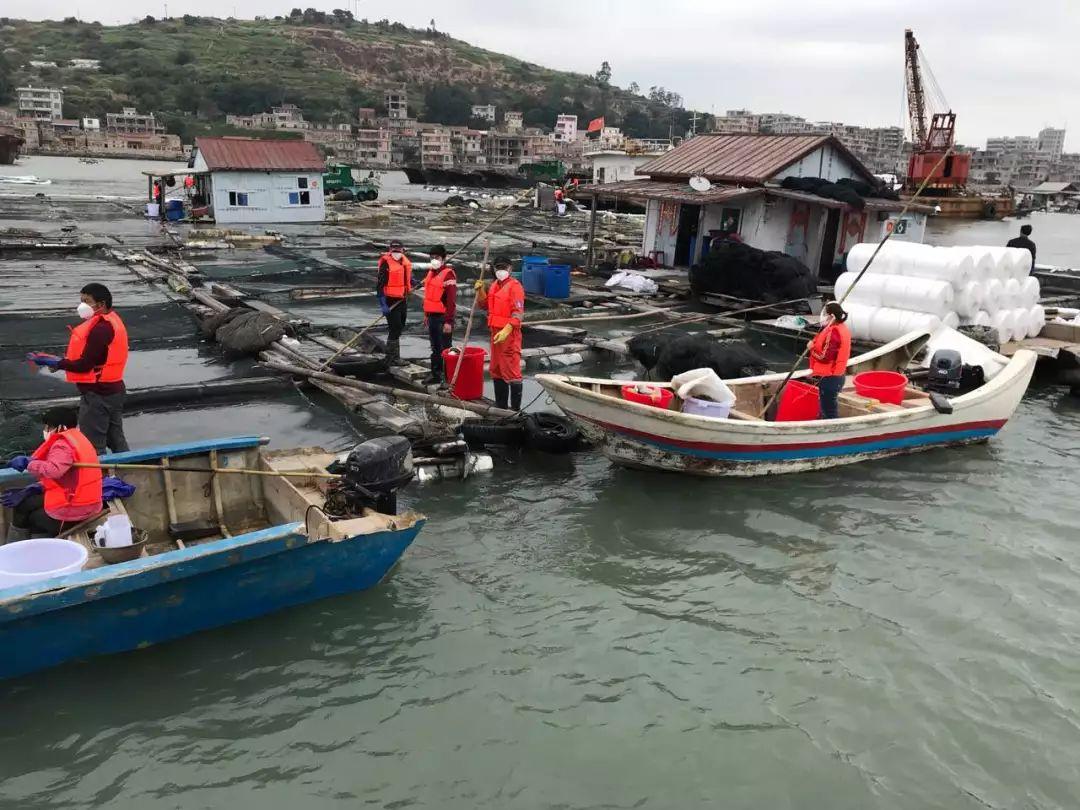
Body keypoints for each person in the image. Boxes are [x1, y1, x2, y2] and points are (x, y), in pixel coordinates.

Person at [27, 282, 130, 454]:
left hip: (98, 394)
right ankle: (129, 473)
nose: (82, 305)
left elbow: (84, 365)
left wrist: (57, 363)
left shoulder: (101, 329)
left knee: (93, 445)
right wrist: (61, 362)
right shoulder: (112, 321)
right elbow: (96, 359)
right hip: (114, 389)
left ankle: (101, 478)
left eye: (87, 301)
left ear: (101, 304)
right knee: (116, 439)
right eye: (81, 300)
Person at [5, 406, 103, 541]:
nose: (46, 430)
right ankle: (19, 547)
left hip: (75, 509)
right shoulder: (79, 438)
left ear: (60, 427)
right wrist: (35, 488)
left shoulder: (62, 445)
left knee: (32, 516)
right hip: (87, 503)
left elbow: (54, 470)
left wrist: (28, 464)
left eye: (48, 427)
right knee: (25, 503)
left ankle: (19, 548)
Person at [475, 256, 525, 410]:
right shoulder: (494, 285)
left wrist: (508, 328)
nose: (501, 270)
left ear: (510, 269)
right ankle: (501, 406)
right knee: (496, 369)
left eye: (504, 267)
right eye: (498, 268)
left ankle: (515, 410)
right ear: (494, 269)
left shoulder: (515, 287)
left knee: (511, 370)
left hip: (509, 335)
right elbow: (484, 306)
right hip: (495, 333)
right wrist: (480, 291)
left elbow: (518, 313)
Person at [807, 301, 851, 420]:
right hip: (836, 376)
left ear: (831, 316)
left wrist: (811, 349)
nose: (823, 317)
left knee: (829, 412)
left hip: (830, 377)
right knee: (826, 408)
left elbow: (826, 357)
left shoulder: (834, 332)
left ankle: (833, 435)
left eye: (826, 314)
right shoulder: (840, 328)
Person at [421, 244, 458, 385]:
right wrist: (426, 315)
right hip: (432, 316)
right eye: (432, 258)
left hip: (443, 317)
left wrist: (449, 321)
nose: (434, 260)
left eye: (437, 257)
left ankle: (447, 379)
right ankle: (435, 374)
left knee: (445, 348)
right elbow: (429, 297)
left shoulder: (448, 274)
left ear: (444, 258)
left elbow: (451, 301)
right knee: (435, 347)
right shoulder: (431, 273)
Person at [376, 239, 413, 365]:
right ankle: (392, 358)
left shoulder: (404, 262)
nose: (396, 252)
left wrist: (414, 282)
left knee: (401, 326)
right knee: (395, 327)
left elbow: (406, 277)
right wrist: (383, 304)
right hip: (390, 300)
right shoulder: (386, 263)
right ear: (390, 250)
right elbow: (380, 284)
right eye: (394, 249)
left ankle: (392, 356)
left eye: (399, 249)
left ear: (403, 250)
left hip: (402, 299)